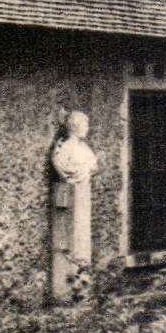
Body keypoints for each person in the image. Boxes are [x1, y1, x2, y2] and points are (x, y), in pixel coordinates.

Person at [50, 109, 96, 267]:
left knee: (81, 240)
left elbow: (93, 166)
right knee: (68, 246)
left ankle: (80, 275)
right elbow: (60, 166)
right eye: (85, 125)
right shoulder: (62, 150)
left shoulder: (85, 150)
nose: (87, 129)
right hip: (69, 192)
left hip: (82, 191)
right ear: (76, 126)